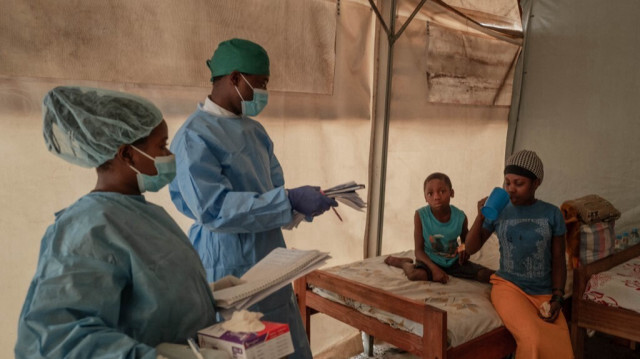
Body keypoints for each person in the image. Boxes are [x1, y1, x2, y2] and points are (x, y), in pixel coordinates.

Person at [16, 86, 228, 359]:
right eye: (161, 145)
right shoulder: (87, 229)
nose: (169, 154)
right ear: (127, 154)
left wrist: (205, 294)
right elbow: (59, 337)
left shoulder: (146, 214)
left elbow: (143, 293)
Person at [169, 38, 336, 359]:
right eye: (259, 84)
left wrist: (301, 205)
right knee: (243, 346)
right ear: (234, 78)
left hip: (270, 260)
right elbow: (213, 209)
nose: (263, 93)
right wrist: (287, 201)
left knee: (283, 344)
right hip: (226, 262)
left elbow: (272, 196)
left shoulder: (255, 132)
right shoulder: (194, 137)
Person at [465, 150, 573, 358]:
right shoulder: (500, 210)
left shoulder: (552, 214)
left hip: (543, 292)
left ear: (536, 183)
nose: (511, 189)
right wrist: (480, 216)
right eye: (507, 183)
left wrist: (558, 297)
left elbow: (559, 259)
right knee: (532, 339)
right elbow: (470, 249)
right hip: (509, 288)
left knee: (561, 348)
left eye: (519, 183)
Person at [385, 172, 494, 284]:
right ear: (425, 197)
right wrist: (434, 269)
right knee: (416, 274)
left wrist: (463, 250)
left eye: (442, 191)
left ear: (451, 193)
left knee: (485, 275)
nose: (436, 197)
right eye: (430, 194)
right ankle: (404, 264)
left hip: (453, 262)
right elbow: (418, 251)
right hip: (429, 259)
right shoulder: (420, 216)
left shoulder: (460, 217)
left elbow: (466, 242)